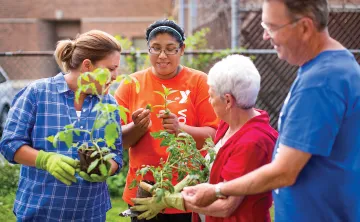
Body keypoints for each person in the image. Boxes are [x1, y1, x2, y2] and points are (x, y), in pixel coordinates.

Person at [182, 1, 360, 222]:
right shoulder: (333, 67)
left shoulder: (321, 82)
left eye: (271, 27)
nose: (265, 36)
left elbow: (285, 170)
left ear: (304, 27)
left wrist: (217, 190)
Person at [131, 54, 278, 222]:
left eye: (211, 96)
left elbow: (227, 206)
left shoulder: (252, 143)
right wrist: (176, 189)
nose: (209, 100)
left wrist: (175, 201)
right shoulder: (228, 124)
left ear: (228, 101)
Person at [0, 30, 123, 221]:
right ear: (87, 66)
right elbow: (9, 144)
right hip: (40, 211)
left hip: (91, 213)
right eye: (110, 69)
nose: (116, 76)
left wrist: (107, 167)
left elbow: (116, 152)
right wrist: (45, 160)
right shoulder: (38, 93)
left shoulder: (109, 104)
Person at [114, 19, 218, 222]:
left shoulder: (200, 82)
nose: (162, 56)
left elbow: (214, 136)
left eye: (170, 49)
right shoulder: (131, 84)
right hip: (143, 190)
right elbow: (117, 142)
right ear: (148, 49)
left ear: (182, 50)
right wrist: (136, 127)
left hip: (187, 192)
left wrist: (182, 129)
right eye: (156, 48)